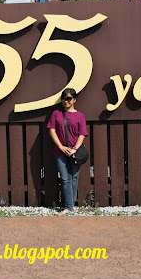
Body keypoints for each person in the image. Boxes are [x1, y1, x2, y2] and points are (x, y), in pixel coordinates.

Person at [47, 88, 88, 216]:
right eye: (64, 98)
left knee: (74, 178)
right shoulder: (56, 114)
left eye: (69, 98)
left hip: (75, 151)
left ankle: (71, 205)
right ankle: (69, 207)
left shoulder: (80, 116)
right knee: (65, 179)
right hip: (60, 152)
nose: (67, 101)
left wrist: (74, 148)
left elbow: (82, 134)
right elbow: (52, 130)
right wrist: (60, 146)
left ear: (74, 100)